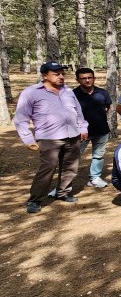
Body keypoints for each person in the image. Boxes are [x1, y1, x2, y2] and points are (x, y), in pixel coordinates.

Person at [15, 62, 89, 213]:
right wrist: (28, 139)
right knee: (47, 168)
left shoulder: (68, 91)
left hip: (72, 135)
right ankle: (35, 199)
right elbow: (21, 119)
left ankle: (63, 193)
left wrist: (83, 127)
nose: (61, 76)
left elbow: (78, 112)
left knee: (70, 167)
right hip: (49, 138)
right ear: (44, 76)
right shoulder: (31, 92)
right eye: (56, 74)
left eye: (62, 73)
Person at [73, 67, 111, 189]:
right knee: (73, 156)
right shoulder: (72, 95)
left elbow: (107, 107)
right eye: (83, 78)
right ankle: (65, 182)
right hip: (79, 133)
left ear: (94, 78)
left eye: (90, 78)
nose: (87, 80)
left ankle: (95, 177)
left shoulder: (102, 93)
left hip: (101, 131)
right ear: (78, 80)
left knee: (98, 155)